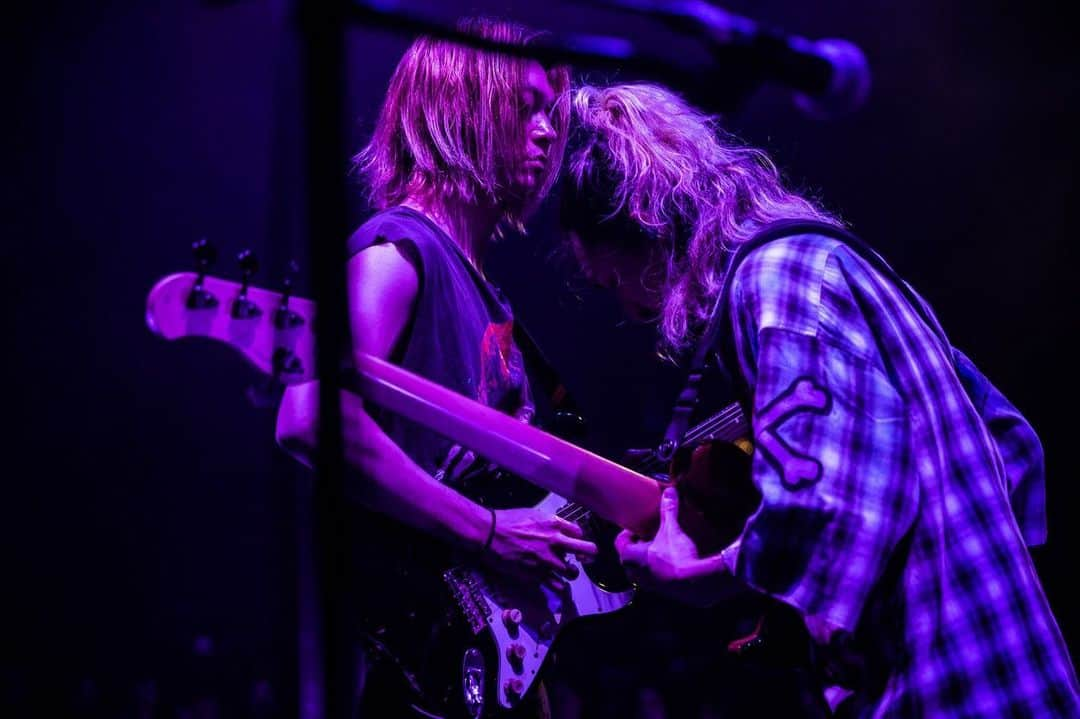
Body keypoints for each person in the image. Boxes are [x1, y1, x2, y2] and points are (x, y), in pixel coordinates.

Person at [557, 82, 1080, 716]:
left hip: (945, 691)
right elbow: (1012, 447)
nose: (630, 308)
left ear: (645, 226)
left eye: (612, 280)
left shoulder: (775, 283)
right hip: (1001, 668)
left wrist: (701, 575)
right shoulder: (832, 264)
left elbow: (821, 507)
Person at [274, 17, 595, 718]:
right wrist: (487, 529)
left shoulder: (489, 295)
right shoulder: (397, 252)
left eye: (551, 113)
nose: (546, 132)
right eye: (525, 107)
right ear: (460, 103)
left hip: (484, 662)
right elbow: (307, 418)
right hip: (416, 659)